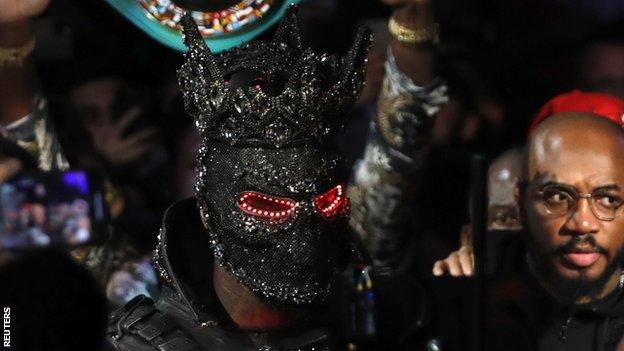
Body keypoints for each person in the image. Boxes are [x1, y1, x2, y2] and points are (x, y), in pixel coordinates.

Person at [434, 91, 624, 350]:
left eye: (608, 199)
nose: (582, 223)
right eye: (557, 197)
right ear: (521, 200)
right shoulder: (482, 279)